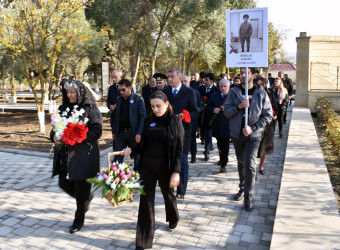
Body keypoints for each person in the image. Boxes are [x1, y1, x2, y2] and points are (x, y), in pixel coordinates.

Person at [123, 91, 184, 250]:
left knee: (169, 196)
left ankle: (173, 218)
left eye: (158, 106)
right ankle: (143, 243)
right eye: (152, 106)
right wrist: (132, 149)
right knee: (146, 203)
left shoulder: (175, 121)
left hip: (166, 167)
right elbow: (143, 143)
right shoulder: (148, 120)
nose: (155, 109)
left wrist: (176, 171)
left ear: (166, 104)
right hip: (147, 167)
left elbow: (179, 149)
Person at [50, 80, 102, 233]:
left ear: (80, 93)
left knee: (81, 188)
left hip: (83, 156)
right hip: (65, 155)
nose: (69, 95)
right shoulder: (63, 108)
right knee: (63, 183)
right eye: (67, 92)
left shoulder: (90, 108)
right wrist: (54, 136)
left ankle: (78, 220)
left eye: (72, 92)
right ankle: (86, 198)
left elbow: (97, 130)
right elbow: (54, 128)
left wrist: (79, 136)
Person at [224, 67, 272, 212]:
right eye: (241, 73)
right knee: (241, 163)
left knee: (250, 164)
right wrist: (239, 106)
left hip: (253, 136)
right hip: (237, 134)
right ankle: (242, 188)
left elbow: (267, 115)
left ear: (254, 75)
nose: (243, 75)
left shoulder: (261, 93)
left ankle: (248, 196)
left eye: (246, 73)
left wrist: (254, 127)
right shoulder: (234, 92)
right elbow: (227, 112)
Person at [163, 68, 198, 200]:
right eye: (169, 76)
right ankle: (170, 186)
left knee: (182, 161)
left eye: (172, 76)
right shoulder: (165, 92)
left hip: (183, 132)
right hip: (167, 132)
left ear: (179, 77)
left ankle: (181, 191)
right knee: (169, 160)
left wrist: (187, 115)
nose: (169, 79)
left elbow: (195, 111)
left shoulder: (189, 92)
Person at [111, 79, 146, 164]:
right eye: (119, 90)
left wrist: (139, 133)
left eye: (123, 89)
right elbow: (116, 117)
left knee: (137, 158)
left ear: (130, 88)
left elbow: (143, 117)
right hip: (121, 133)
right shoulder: (118, 100)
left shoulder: (138, 99)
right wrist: (114, 131)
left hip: (133, 133)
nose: (121, 92)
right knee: (117, 157)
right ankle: (116, 176)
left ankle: (138, 176)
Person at [255, 77, 278, 175]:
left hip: (267, 124)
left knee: (264, 147)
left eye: (261, 84)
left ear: (264, 84)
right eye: (258, 84)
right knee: (254, 147)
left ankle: (261, 165)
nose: (259, 86)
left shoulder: (271, 94)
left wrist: (274, 115)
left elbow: (276, 108)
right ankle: (252, 168)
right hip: (255, 124)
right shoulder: (253, 94)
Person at [207, 79, 231, 173]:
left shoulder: (232, 96)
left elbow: (237, 108)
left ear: (229, 87)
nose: (223, 88)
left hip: (228, 124)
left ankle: (223, 163)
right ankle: (222, 158)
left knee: (225, 144)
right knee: (219, 143)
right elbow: (208, 106)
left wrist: (228, 109)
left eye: (225, 86)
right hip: (217, 124)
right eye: (221, 86)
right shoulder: (214, 95)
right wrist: (213, 109)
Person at [182, 75, 203, 163]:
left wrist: (193, 113)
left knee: (192, 138)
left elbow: (200, 105)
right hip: (180, 120)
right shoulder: (179, 92)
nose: (183, 83)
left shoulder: (195, 92)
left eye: (185, 81)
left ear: (189, 82)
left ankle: (193, 155)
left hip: (192, 120)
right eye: (182, 81)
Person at [198, 72, 219, 161]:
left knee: (209, 132)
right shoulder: (200, 89)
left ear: (211, 80)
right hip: (201, 115)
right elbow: (198, 99)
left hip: (211, 115)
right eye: (204, 79)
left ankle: (207, 150)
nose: (204, 81)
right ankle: (208, 145)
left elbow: (217, 102)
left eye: (207, 80)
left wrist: (210, 106)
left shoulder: (216, 90)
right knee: (204, 132)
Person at [107, 70, 123, 150]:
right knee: (115, 139)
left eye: (115, 77)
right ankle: (116, 158)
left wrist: (119, 104)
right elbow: (108, 101)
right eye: (112, 77)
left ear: (121, 77)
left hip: (124, 118)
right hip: (114, 118)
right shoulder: (111, 88)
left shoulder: (126, 87)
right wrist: (110, 106)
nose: (113, 79)